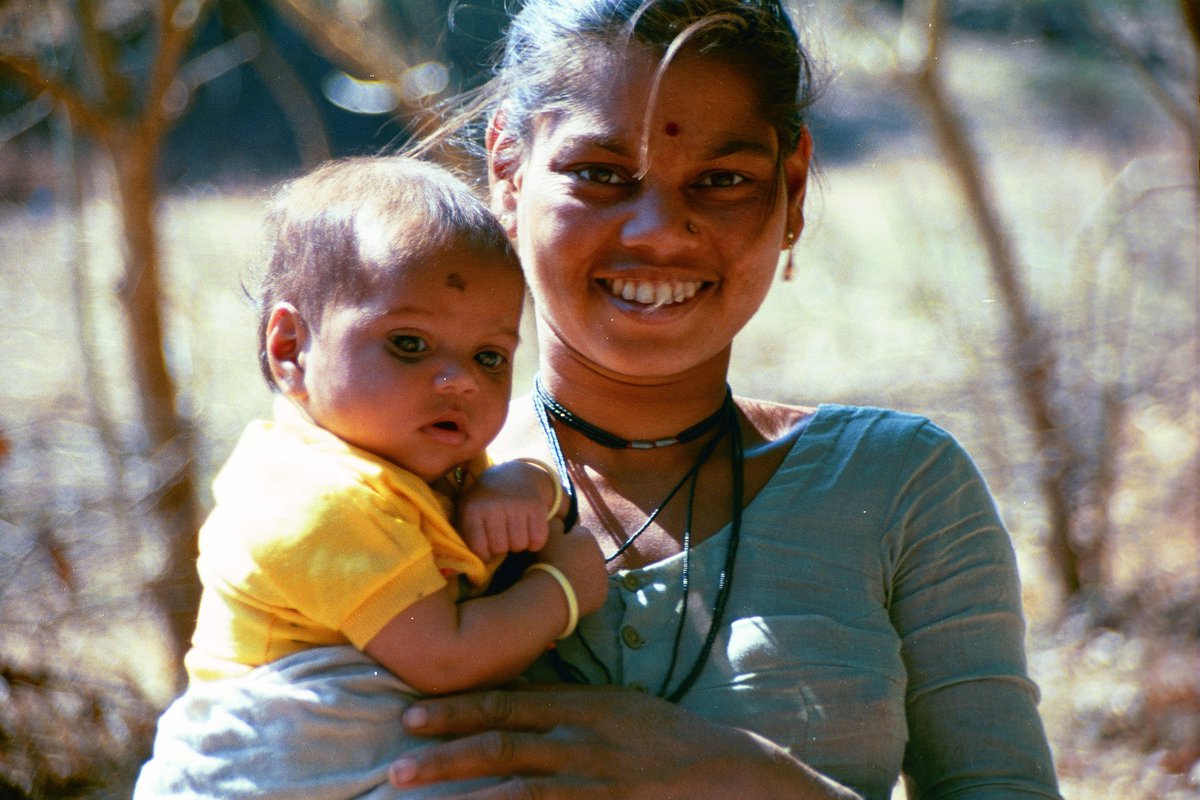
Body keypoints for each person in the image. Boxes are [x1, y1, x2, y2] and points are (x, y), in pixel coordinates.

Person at [382, 2, 1065, 799]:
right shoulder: (387, 489)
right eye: (600, 174)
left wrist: (753, 780)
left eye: (722, 180)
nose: (659, 231)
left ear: (792, 188)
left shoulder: (900, 487)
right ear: (508, 171)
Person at [133, 155, 607, 799]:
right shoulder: (312, 496)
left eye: (489, 356)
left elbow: (502, 508)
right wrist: (564, 588)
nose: (461, 380)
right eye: (409, 344)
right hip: (268, 769)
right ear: (290, 349)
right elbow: (445, 660)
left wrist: (526, 482)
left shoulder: (410, 454)